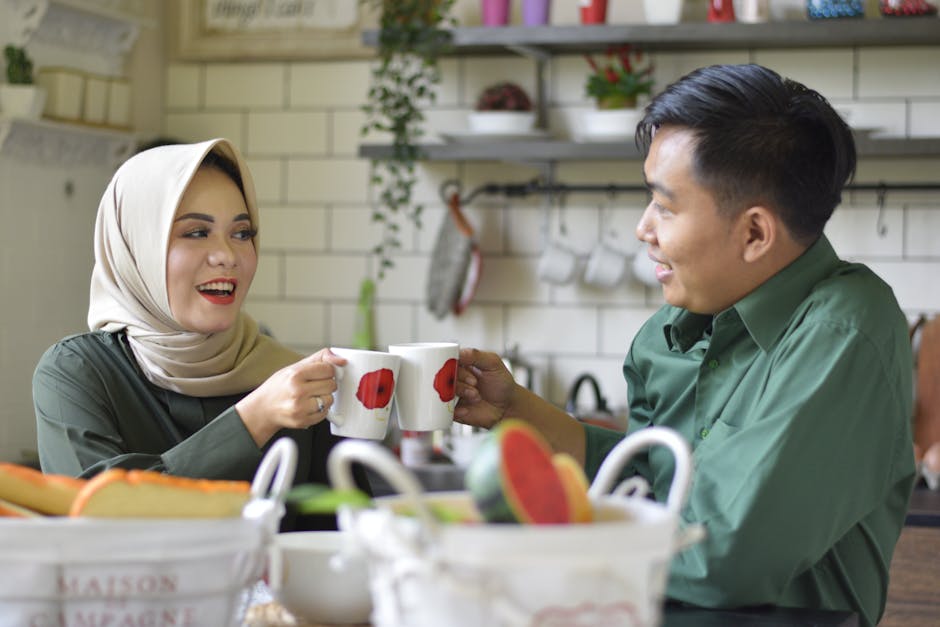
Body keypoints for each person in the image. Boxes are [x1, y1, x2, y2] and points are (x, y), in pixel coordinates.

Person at [454, 64, 915, 627]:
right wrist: (515, 410)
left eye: (665, 206)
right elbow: (643, 484)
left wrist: (525, 555)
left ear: (754, 234)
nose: (643, 227)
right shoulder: (670, 330)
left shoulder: (846, 329)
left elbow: (722, 558)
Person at [33, 138, 362, 530]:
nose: (226, 254)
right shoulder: (78, 372)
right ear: (137, 248)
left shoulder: (292, 380)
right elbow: (102, 519)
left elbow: (345, 541)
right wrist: (254, 418)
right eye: (196, 232)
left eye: (242, 233)